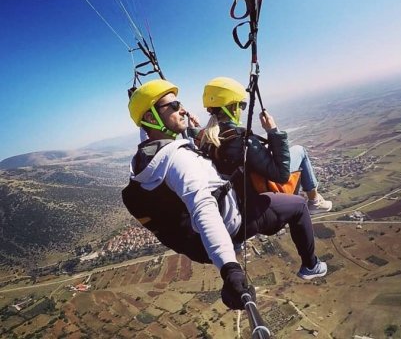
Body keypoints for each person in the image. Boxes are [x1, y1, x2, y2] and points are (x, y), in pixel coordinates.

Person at [122, 79, 328, 311]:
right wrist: (230, 269)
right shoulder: (179, 159)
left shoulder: (142, 160)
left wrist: (184, 129)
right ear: (151, 118)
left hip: (197, 243)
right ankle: (311, 266)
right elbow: (203, 209)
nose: (182, 109)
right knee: (298, 205)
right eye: (174, 105)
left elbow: (160, 148)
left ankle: (237, 244)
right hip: (233, 223)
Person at [200, 76, 333, 212]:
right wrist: (273, 131)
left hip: (236, 199)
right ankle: (315, 201)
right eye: (242, 106)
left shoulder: (205, 139)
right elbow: (281, 175)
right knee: (300, 150)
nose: (242, 109)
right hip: (261, 195)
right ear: (233, 108)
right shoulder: (243, 140)